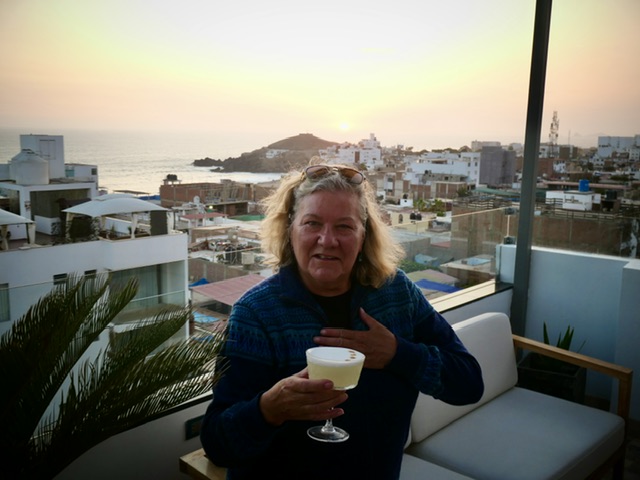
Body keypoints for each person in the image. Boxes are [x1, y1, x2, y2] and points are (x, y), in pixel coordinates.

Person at [200, 161, 484, 479]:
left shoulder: (397, 294)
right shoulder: (257, 314)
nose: (327, 240)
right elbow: (217, 444)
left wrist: (397, 353)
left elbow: (469, 385)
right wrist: (268, 409)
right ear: (290, 230)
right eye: (312, 223)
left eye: (344, 227)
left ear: (364, 236)